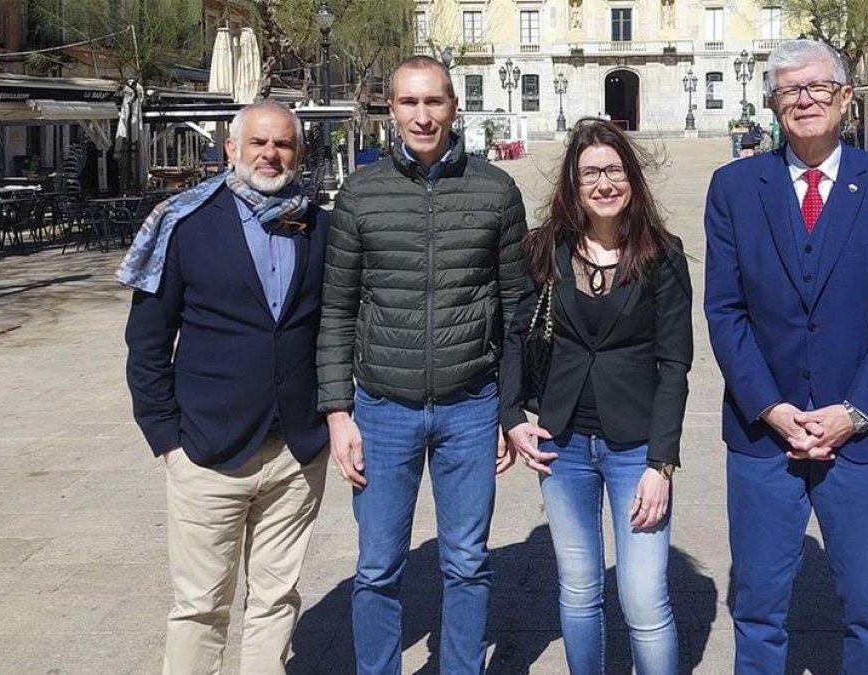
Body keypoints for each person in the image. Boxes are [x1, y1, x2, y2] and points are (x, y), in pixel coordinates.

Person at [703, 39, 868, 675]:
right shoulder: (734, 187)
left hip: (865, 442)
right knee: (757, 612)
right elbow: (725, 311)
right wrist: (772, 409)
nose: (803, 100)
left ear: (845, 98)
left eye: (816, 88)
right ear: (773, 105)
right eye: (787, 91)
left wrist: (853, 413)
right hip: (762, 440)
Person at [316, 55, 528, 675]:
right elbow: (337, 308)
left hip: (470, 406)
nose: (422, 115)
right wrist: (337, 411)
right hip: (382, 408)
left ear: (454, 107)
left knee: (466, 561)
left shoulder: (495, 190)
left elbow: (516, 308)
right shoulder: (360, 194)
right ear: (391, 111)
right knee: (378, 566)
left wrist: (510, 410)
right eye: (409, 103)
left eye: (433, 102)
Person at [120, 100, 330, 675]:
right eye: (258, 142)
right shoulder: (184, 224)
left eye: (283, 144)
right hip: (206, 451)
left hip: (295, 450)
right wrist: (167, 438)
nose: (271, 154)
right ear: (230, 150)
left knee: (276, 599)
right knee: (200, 607)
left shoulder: (318, 225)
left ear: (299, 153)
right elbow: (147, 341)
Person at [502, 118, 693, 675]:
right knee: (580, 588)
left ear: (631, 178)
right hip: (561, 445)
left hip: (637, 447)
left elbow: (675, 363)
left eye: (613, 170)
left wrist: (663, 462)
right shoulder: (544, 250)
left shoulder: (663, 255)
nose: (603, 183)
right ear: (573, 184)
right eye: (590, 173)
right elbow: (514, 334)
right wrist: (512, 415)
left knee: (643, 597)